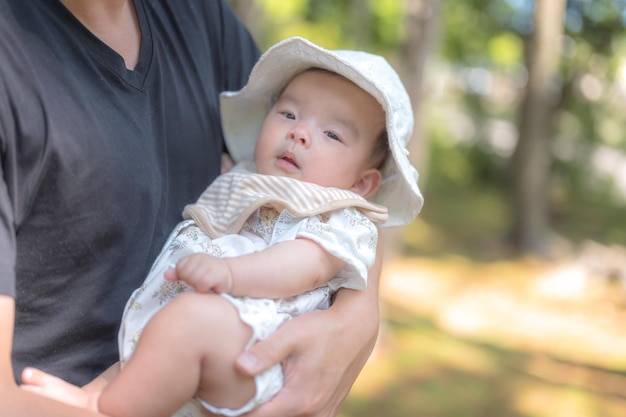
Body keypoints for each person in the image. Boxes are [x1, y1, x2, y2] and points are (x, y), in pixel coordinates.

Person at [0, 2, 396, 417]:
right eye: (289, 114)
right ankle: (98, 401)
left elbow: (330, 244)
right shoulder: (248, 177)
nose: (299, 132)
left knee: (183, 324)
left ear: (363, 184)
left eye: (331, 133)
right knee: (160, 338)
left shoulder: (197, 17)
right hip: (143, 351)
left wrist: (358, 319)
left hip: (251, 341)